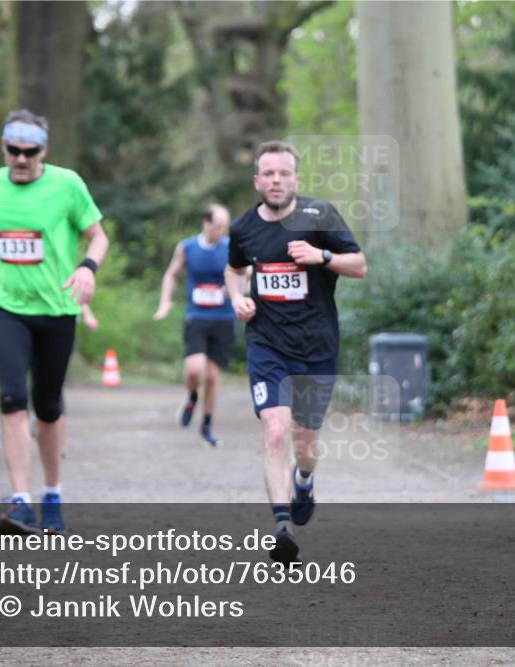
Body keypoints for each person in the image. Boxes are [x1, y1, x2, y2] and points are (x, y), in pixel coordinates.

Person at [0, 109, 109, 535]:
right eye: (13, 151)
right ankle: (20, 502)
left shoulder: (67, 184)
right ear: (3, 148)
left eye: (30, 151)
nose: (21, 159)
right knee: (11, 399)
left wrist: (88, 268)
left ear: (44, 150)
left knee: (48, 407)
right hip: (7, 308)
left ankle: (52, 494)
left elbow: (99, 236)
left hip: (57, 310)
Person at [224, 140, 367, 564]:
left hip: (316, 347)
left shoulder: (320, 216)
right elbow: (234, 270)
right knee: (274, 431)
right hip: (267, 344)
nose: (276, 181)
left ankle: (304, 479)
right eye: (268, 174)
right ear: (257, 181)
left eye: (283, 173)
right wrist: (238, 298)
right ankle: (281, 527)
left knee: (305, 445)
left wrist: (322, 255)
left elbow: (359, 265)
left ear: (296, 179)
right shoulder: (244, 228)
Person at [154, 204, 240, 447]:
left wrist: (238, 293)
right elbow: (171, 274)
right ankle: (192, 395)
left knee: (212, 376)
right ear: (206, 222)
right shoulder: (187, 247)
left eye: (225, 227)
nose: (222, 231)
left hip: (224, 318)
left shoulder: (232, 247)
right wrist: (165, 302)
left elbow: (245, 274)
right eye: (218, 226)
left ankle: (207, 425)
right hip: (197, 315)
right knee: (194, 369)